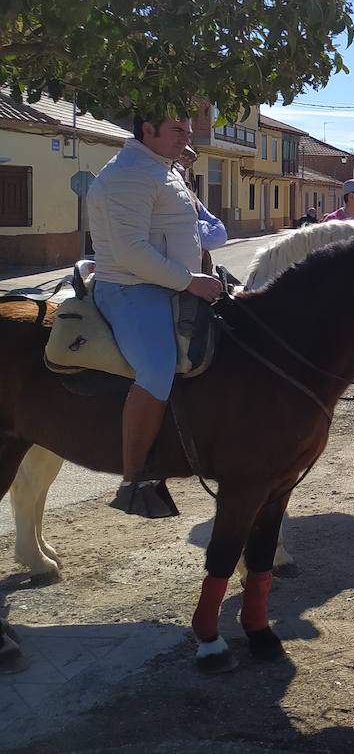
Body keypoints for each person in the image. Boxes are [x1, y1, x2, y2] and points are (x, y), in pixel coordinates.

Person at [87, 114, 224, 518]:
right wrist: (188, 281)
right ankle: (134, 479)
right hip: (130, 288)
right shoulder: (128, 174)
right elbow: (130, 252)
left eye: (187, 130)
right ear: (147, 130)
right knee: (157, 367)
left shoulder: (160, 169)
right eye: (177, 131)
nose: (187, 138)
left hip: (170, 283)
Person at [174, 147, 226, 269]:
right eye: (182, 161)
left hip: (200, 270)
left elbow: (220, 233)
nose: (181, 170)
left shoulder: (191, 196)